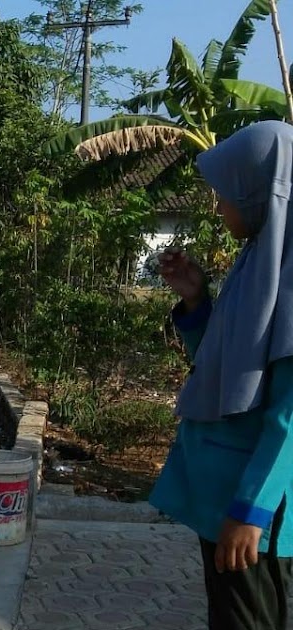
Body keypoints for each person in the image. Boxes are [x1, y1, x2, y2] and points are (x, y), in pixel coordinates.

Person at [151, 120, 293, 629]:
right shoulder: (261, 261)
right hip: (223, 496)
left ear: (260, 191)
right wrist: (195, 299)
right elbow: (228, 362)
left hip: (251, 507)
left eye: (224, 195)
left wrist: (251, 512)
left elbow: (290, 415)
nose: (218, 207)